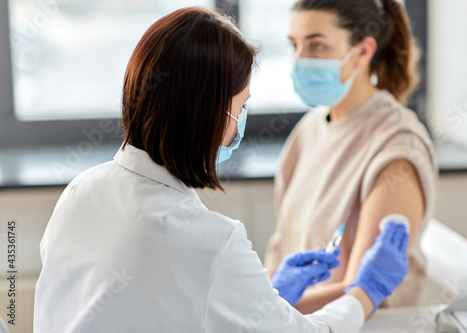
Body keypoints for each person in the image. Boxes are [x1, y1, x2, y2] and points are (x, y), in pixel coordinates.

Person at [34, 7, 408, 333]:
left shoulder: (81, 190)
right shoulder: (209, 241)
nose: (240, 123)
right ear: (211, 115)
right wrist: (365, 290)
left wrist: (268, 298)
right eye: (240, 107)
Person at [264, 0, 439, 314]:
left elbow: (364, 293)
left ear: (362, 51)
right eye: (294, 45)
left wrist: (262, 310)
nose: (299, 60)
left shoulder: (396, 145)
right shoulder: (310, 130)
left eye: (317, 45)